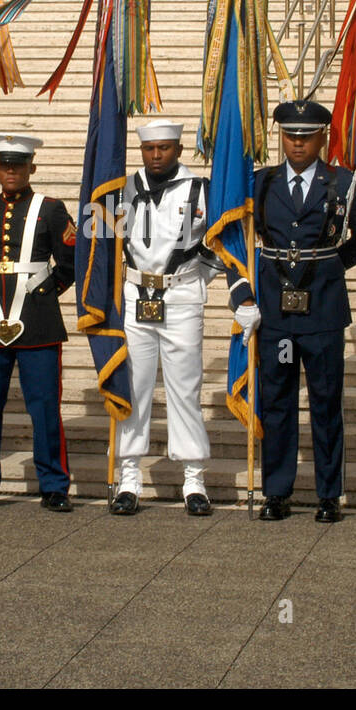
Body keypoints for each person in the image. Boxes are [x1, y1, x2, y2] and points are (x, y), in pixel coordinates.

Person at [226, 99, 356, 522]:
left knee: (325, 401)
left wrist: (320, 268)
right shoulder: (260, 182)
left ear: (322, 137)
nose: (297, 144)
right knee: (279, 401)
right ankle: (277, 491)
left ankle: (328, 494)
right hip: (275, 311)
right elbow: (238, 238)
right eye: (290, 136)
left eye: (305, 137)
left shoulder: (343, 182)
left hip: (322, 309)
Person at [0, 135, 77, 512]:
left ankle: (54, 484)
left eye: (18, 165)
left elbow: (71, 262)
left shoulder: (52, 209)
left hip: (37, 327)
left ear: (31, 168)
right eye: (4, 165)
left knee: (43, 407)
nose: (11, 171)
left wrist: (44, 294)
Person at [111, 119, 217, 517]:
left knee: (184, 387)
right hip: (135, 294)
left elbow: (221, 240)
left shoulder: (199, 189)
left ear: (178, 150)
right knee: (133, 388)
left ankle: (193, 479)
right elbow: (99, 241)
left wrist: (194, 278)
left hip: (181, 296)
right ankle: (129, 478)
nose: (156, 155)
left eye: (164, 149)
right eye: (149, 148)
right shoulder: (119, 189)